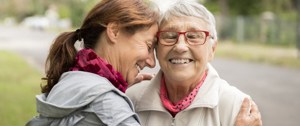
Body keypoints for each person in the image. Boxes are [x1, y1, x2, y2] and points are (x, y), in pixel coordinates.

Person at [126, 1, 262, 126]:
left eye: (193, 36)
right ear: (156, 48)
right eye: (170, 36)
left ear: (212, 50)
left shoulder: (236, 106)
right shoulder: (131, 99)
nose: (180, 47)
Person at [26, 0, 159, 125]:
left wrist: (115, 92)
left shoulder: (68, 84)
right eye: (148, 46)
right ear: (114, 31)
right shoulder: (109, 105)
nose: (152, 62)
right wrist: (114, 99)